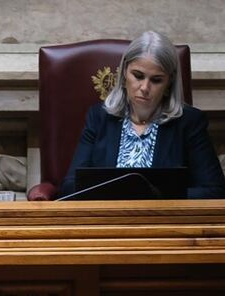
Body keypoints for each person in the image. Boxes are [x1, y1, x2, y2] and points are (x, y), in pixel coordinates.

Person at [60, 31, 225, 199]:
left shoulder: (189, 123)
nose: (145, 87)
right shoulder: (99, 118)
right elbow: (71, 186)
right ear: (124, 73)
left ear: (169, 83)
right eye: (138, 76)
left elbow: (215, 191)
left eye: (156, 80)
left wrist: (152, 197)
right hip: (106, 220)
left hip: (165, 221)